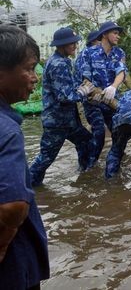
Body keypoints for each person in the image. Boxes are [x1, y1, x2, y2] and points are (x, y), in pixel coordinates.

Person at [0, 26, 50, 288]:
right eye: (29, 69)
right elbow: (13, 207)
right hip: (12, 267)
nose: (34, 78)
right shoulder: (7, 130)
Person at [29, 27, 94, 187]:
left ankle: (85, 175)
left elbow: (65, 89)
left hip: (68, 120)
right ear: (61, 45)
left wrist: (79, 88)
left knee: (85, 140)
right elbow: (65, 97)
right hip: (57, 122)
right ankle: (28, 187)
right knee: (46, 158)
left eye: (75, 42)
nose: (74, 46)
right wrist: (83, 91)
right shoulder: (59, 64)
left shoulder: (63, 61)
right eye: (71, 43)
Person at [77, 20, 127, 167]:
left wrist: (113, 87)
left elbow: (121, 72)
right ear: (104, 34)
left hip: (110, 100)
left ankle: (116, 162)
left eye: (118, 34)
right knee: (99, 132)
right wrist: (94, 91)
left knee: (118, 131)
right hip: (93, 100)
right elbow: (85, 77)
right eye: (115, 33)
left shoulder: (119, 52)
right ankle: (90, 166)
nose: (118, 37)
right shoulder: (88, 52)